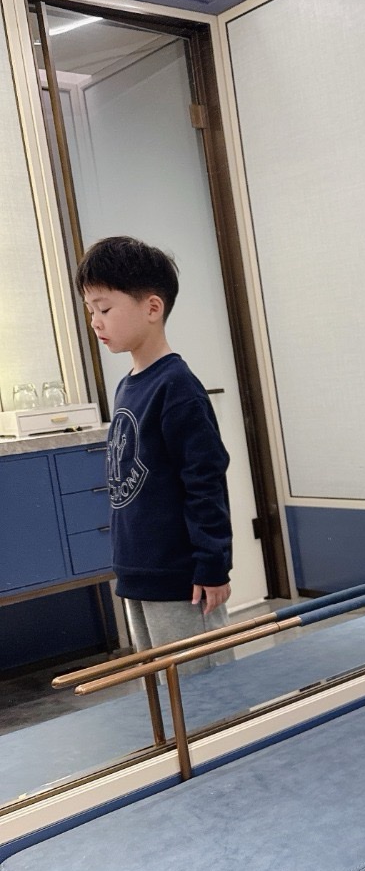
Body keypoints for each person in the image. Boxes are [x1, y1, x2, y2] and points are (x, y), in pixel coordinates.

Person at [75, 236, 232, 658]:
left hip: (182, 578)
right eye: (90, 311)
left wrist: (213, 565)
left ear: (152, 308)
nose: (95, 322)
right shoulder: (127, 386)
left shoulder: (177, 387)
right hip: (138, 573)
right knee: (161, 686)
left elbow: (205, 481)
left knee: (204, 687)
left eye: (105, 309)